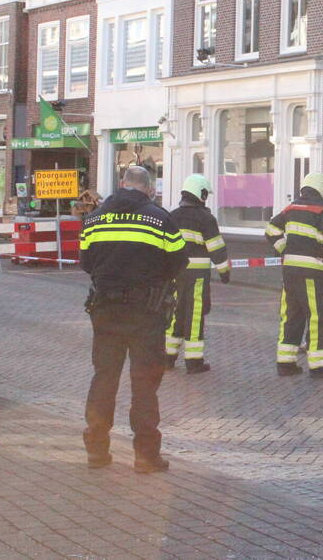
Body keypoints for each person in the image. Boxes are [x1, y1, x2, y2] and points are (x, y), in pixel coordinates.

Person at [80, 166, 184, 473]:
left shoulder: (94, 218)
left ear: (122, 183)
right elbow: (179, 261)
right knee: (144, 385)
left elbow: (86, 262)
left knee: (104, 378)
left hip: (105, 310)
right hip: (146, 314)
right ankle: (146, 457)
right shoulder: (160, 219)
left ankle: (97, 451)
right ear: (149, 189)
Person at [265, 172, 323, 378]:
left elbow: (271, 229)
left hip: (290, 272)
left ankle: (286, 364)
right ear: (322, 189)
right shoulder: (321, 210)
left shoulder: (291, 208)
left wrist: (284, 249)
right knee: (319, 316)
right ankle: (319, 366)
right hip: (312, 272)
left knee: (292, 316)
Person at [165, 174, 230, 374]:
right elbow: (216, 248)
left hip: (175, 274)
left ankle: (167, 357)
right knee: (194, 315)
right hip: (197, 277)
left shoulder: (172, 216)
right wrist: (224, 271)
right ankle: (193, 361)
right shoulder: (206, 218)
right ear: (200, 194)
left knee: (175, 312)